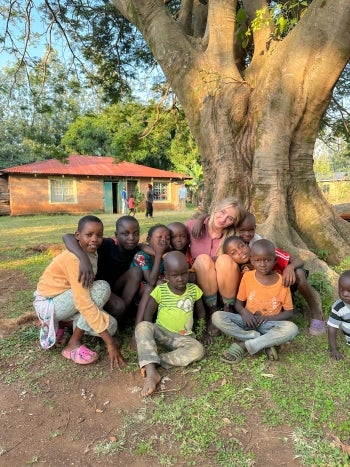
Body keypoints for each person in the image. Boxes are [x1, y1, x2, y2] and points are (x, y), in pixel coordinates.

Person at [34, 215, 126, 368]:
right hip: (50, 303)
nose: (95, 239)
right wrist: (109, 343)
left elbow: (82, 299)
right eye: (89, 235)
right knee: (101, 288)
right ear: (78, 236)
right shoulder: (74, 259)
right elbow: (83, 303)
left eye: (99, 235)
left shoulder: (91, 249)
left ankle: (63, 324)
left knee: (112, 326)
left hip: (68, 301)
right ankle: (73, 343)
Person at [135, 251, 210, 397]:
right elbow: (148, 314)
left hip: (183, 338)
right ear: (167, 276)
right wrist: (148, 333)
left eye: (184, 274)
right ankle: (151, 373)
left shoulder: (194, 290)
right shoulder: (160, 291)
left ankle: (156, 360)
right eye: (175, 275)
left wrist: (203, 331)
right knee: (143, 326)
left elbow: (201, 312)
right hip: (161, 333)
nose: (181, 279)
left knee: (198, 350)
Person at [212, 239, 299, 363]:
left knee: (292, 329)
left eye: (267, 260)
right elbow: (238, 303)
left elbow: (289, 312)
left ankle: (246, 345)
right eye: (258, 260)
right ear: (252, 260)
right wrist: (244, 313)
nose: (262, 264)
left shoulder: (282, 282)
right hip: (248, 321)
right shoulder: (247, 277)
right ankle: (259, 339)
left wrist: (269, 318)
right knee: (217, 317)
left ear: (275, 261)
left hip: (268, 324)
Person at [222, 234, 326, 335]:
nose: (240, 252)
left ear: (246, 244)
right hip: (271, 295)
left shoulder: (266, 251)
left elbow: (299, 260)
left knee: (298, 274)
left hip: (288, 281)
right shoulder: (241, 271)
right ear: (230, 257)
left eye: (241, 246)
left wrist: (289, 268)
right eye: (234, 252)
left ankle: (315, 312)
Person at [63, 216, 143, 324]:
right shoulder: (106, 244)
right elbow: (67, 237)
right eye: (125, 234)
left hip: (116, 287)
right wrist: (83, 258)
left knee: (136, 272)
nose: (131, 238)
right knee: (118, 306)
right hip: (97, 287)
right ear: (116, 235)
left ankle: (123, 315)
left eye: (136, 233)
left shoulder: (137, 249)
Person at [186, 196, 246, 335]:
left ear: (233, 223)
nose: (223, 219)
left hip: (226, 285)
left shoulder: (232, 235)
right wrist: (201, 219)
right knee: (203, 259)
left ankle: (227, 310)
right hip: (201, 282)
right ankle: (212, 311)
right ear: (216, 208)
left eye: (230, 218)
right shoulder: (193, 226)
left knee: (224, 259)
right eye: (223, 212)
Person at [327, 270, 350, 360]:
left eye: (349, 291)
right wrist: (334, 349)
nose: (344, 294)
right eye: (341, 289)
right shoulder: (338, 307)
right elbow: (332, 327)